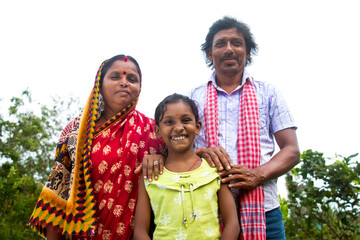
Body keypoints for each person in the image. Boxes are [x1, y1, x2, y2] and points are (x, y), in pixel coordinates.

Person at [28, 54, 164, 240]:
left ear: (140, 87)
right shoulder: (75, 132)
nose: (124, 83)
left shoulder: (154, 131)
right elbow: (58, 190)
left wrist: (163, 158)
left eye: (132, 79)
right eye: (115, 77)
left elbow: (183, 162)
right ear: (99, 84)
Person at [189, 17, 300, 239]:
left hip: (264, 212)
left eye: (237, 43)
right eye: (220, 44)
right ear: (210, 54)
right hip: (208, 210)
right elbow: (179, 148)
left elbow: (292, 150)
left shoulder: (268, 93)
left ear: (247, 52)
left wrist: (257, 174)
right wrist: (200, 153)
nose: (229, 49)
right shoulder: (194, 97)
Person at [133, 93, 240, 240]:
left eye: (186, 120)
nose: (178, 127)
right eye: (169, 122)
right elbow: (140, 231)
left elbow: (232, 224)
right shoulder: (150, 175)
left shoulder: (215, 170)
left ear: (197, 127)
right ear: (158, 131)